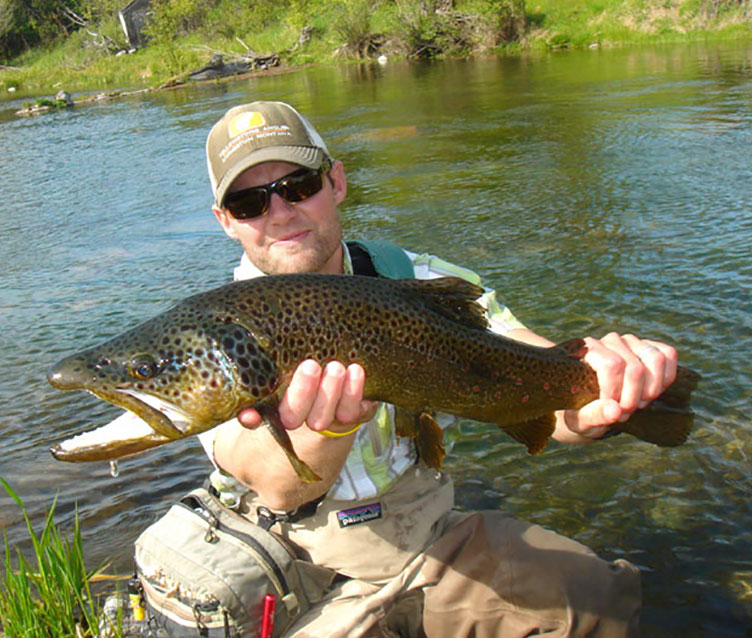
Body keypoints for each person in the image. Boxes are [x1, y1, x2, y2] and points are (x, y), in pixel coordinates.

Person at [197, 101, 677, 637]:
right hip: (295, 566)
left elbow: (523, 368)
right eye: (248, 202)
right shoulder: (217, 331)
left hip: (427, 538)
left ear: (336, 182)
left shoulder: (418, 280)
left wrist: (596, 396)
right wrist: (330, 427)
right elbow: (277, 488)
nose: (280, 212)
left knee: (600, 601)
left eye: (298, 185)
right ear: (225, 222)